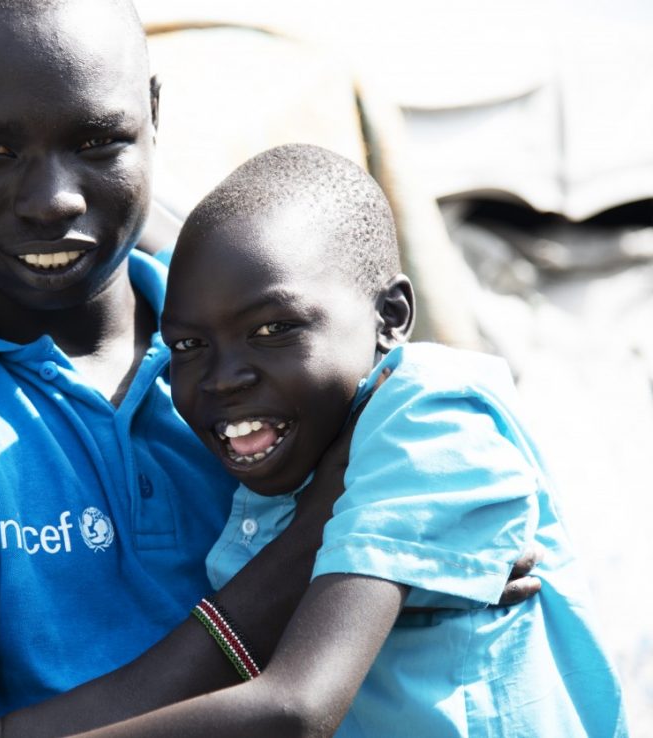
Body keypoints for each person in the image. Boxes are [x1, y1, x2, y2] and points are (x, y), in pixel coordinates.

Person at [0, 1, 540, 736]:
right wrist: (325, 540)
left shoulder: (266, 339)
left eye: (96, 141)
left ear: (152, 115)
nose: (51, 200)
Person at [76, 144, 627, 736]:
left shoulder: (430, 418)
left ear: (390, 316)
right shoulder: (299, 451)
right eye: (187, 345)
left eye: (273, 329)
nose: (224, 377)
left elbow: (298, 707)